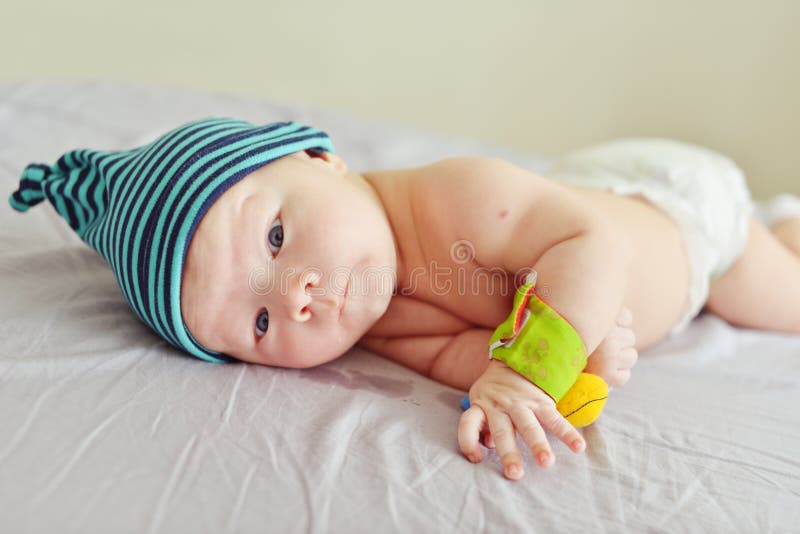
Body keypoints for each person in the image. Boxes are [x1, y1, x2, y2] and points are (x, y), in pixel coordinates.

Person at [10, 118, 800, 481]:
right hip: (583, 180)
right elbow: (467, 355)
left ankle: (775, 222)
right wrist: (512, 388)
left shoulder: (458, 196)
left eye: (277, 240)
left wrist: (534, 368)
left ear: (321, 158)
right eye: (257, 322)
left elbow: (593, 245)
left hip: (685, 221)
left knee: (783, 293)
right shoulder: (371, 329)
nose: (298, 295)